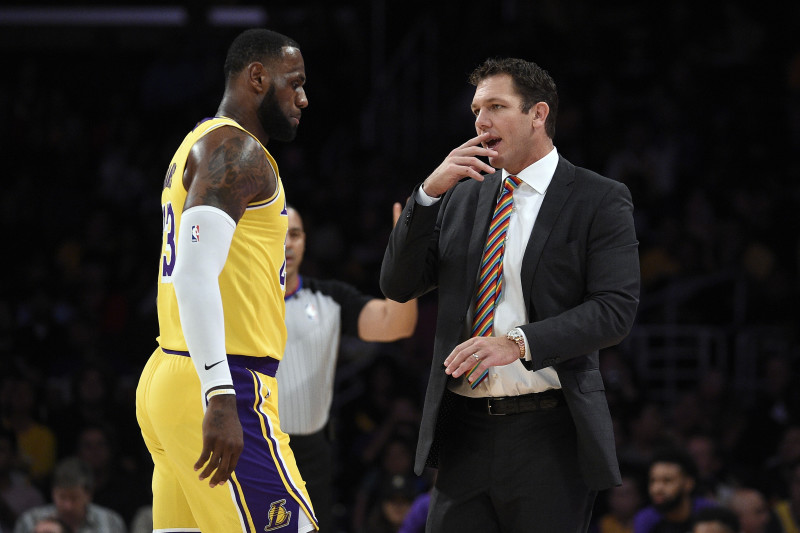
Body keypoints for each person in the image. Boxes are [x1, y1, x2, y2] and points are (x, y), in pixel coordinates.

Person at [380, 57, 641, 532]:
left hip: (551, 432)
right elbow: (397, 285)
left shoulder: (598, 198)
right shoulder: (462, 194)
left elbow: (614, 311)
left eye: (497, 106)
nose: (481, 121)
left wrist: (518, 343)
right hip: (465, 430)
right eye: (477, 109)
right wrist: (428, 193)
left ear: (538, 114)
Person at [134, 28, 317, 532]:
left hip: (171, 373)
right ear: (257, 77)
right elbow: (194, 277)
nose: (303, 98)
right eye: (293, 83)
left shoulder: (199, 141)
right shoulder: (236, 152)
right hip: (223, 381)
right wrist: (220, 395)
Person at [278, 205, 418, 532]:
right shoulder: (235, 298)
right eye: (278, 234)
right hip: (249, 444)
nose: (287, 243)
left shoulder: (329, 298)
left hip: (311, 452)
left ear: (305, 242)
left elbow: (396, 323)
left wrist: (405, 255)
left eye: (295, 235)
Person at [13, 457, 125, 533]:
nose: (68, 506)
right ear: (53, 492)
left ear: (88, 494)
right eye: (62, 497)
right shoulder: (29, 521)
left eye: (74, 498)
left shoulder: (110, 521)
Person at [633, 448, 717, 533]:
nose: (657, 488)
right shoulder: (645, 520)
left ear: (688, 483)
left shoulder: (710, 515)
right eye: (653, 480)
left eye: (667, 480)